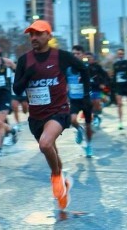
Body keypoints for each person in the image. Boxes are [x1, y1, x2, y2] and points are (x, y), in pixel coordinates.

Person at [13, 19, 87, 211]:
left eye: (38, 33)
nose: (34, 38)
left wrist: (84, 93)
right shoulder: (24, 60)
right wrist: (27, 75)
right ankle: (63, 183)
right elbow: (17, 89)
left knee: (45, 144)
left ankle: (55, 177)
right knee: (50, 149)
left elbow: (84, 69)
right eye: (31, 34)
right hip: (36, 115)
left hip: (58, 111)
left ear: (49, 36)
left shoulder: (61, 56)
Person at [68, 46, 95, 157]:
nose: (75, 56)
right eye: (73, 54)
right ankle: (79, 129)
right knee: (72, 119)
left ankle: (88, 145)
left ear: (83, 55)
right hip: (74, 100)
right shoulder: (68, 69)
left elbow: (92, 79)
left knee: (88, 125)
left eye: (78, 53)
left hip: (86, 99)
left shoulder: (87, 68)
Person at [112, 48, 127, 129]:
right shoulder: (115, 64)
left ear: (124, 54)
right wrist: (113, 86)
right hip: (119, 87)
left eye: (122, 54)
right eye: (119, 54)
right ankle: (120, 122)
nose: (120, 55)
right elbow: (114, 76)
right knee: (119, 104)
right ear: (117, 55)